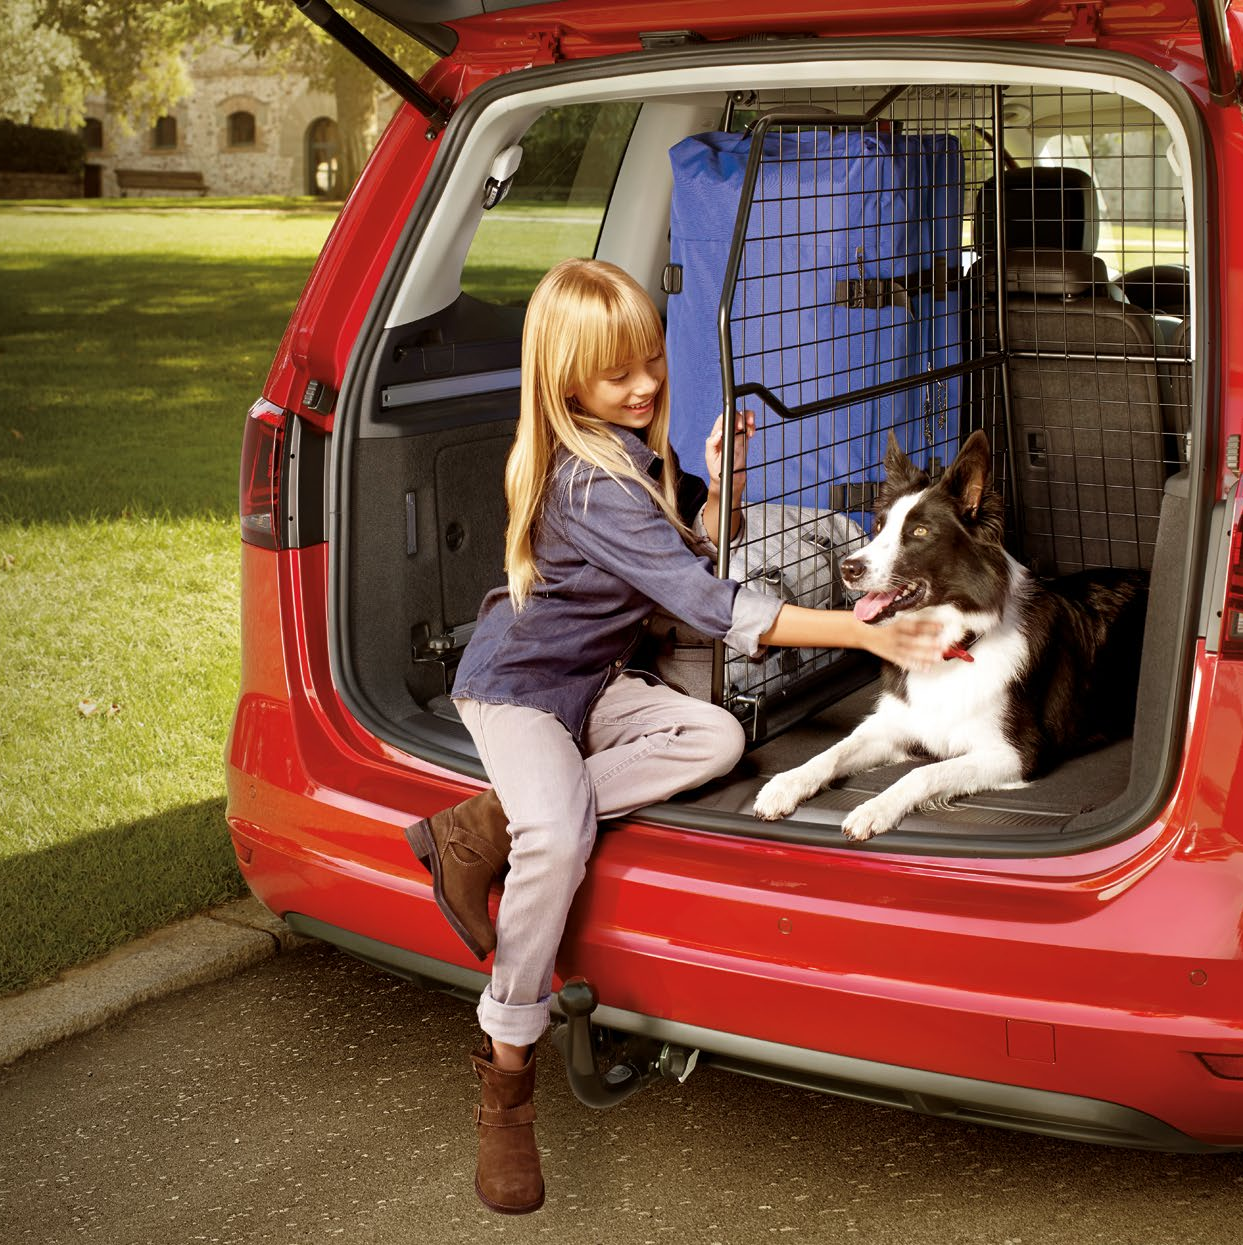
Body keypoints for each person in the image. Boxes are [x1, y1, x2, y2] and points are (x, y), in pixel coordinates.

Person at [402, 257, 942, 1215]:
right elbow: (707, 599)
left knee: (712, 740)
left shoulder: (632, 457)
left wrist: (720, 482)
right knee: (560, 840)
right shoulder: (590, 482)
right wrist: (863, 628)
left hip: (596, 685)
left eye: (650, 358)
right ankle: (506, 1070)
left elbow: (691, 549)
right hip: (521, 691)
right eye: (619, 374)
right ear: (567, 381)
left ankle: (488, 824)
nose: (646, 382)